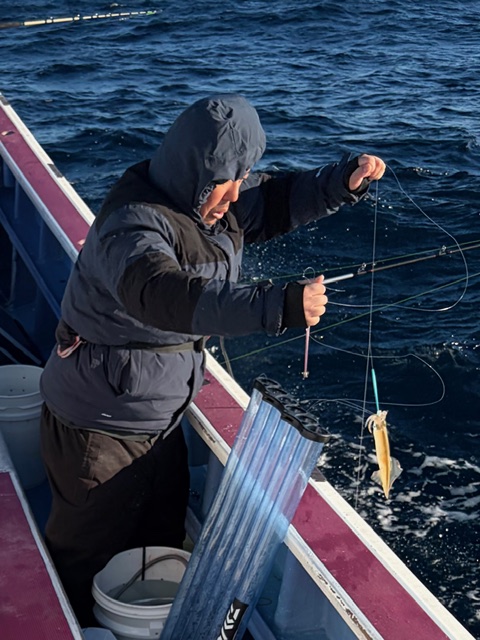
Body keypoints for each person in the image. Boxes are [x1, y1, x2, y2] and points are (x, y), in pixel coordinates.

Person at [39, 93, 385, 626]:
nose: (236, 192)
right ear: (198, 175)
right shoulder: (132, 225)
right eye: (227, 181)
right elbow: (162, 294)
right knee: (85, 562)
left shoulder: (214, 203)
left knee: (159, 541)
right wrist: (278, 306)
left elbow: (277, 200)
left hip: (158, 419)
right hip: (98, 431)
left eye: (241, 177)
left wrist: (342, 182)